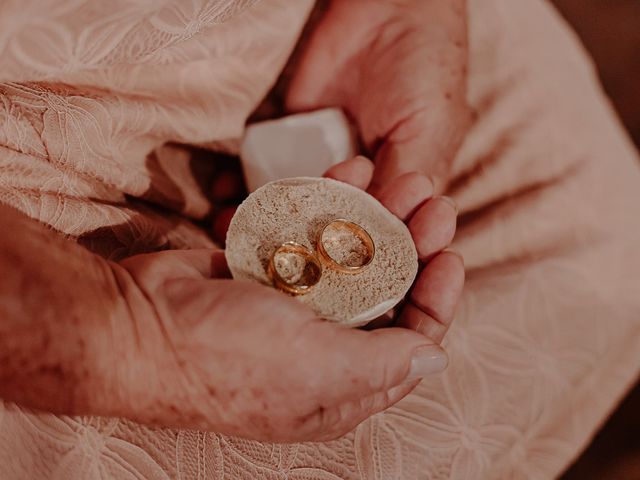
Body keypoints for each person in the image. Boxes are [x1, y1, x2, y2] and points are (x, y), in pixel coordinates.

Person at [0, 0, 639, 478]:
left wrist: (409, 9)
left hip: (309, 40)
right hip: (28, 189)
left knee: (613, 230)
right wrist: (132, 338)